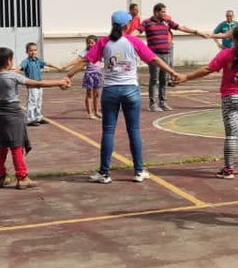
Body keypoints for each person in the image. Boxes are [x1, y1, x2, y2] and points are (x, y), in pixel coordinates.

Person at [64, 11, 183, 184]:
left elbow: (85, 61)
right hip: (131, 91)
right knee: (133, 130)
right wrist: (173, 72)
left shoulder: (103, 42)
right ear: (128, 25)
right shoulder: (133, 41)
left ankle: (104, 173)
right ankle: (139, 171)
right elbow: (155, 59)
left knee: (108, 131)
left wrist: (67, 76)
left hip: (110, 91)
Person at [0, 47, 71, 189]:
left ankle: (0, 177)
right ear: (9, 61)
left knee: (0, 146)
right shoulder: (13, 76)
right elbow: (37, 83)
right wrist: (59, 82)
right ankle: (22, 177)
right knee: (16, 145)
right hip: (13, 113)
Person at [180, 25, 238, 179]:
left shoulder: (226, 54)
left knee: (231, 135)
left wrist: (186, 77)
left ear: (233, 39)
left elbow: (207, 69)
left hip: (231, 96)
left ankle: (229, 170)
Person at [140, 3, 208, 112]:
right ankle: (152, 104)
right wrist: (125, 37)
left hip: (165, 54)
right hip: (153, 56)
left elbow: (182, 27)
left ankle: (163, 102)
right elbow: (137, 31)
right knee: (154, 79)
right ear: (156, 12)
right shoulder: (147, 22)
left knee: (164, 79)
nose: (164, 14)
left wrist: (197, 32)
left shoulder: (167, 22)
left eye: (165, 12)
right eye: (162, 12)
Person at [20, 42, 63, 126]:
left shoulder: (38, 60)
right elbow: (20, 67)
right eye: (31, 50)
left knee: (38, 101)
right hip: (32, 85)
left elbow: (47, 64)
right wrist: (12, 73)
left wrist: (58, 67)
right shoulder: (26, 61)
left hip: (40, 84)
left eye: (35, 50)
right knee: (32, 102)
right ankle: (30, 119)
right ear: (27, 51)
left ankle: (38, 117)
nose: (33, 52)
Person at [79, 35, 103, 120]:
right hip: (89, 75)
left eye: (92, 42)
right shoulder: (85, 52)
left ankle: (96, 111)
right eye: (88, 43)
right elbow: (79, 61)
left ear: (96, 43)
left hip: (98, 74)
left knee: (97, 94)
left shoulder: (99, 51)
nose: (90, 44)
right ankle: (90, 113)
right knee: (89, 94)